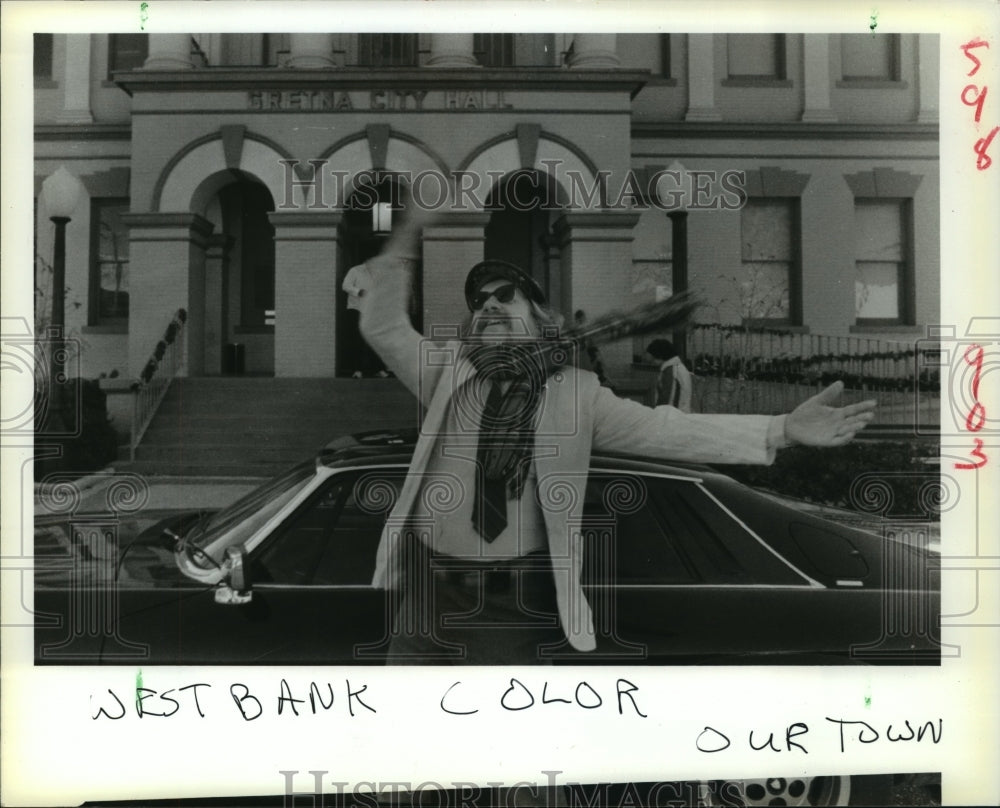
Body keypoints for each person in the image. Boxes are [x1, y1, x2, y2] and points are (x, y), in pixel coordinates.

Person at [345, 252, 876, 665]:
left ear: (539, 316)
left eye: (504, 296)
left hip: (508, 608)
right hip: (424, 594)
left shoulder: (579, 395)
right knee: (407, 748)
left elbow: (668, 428)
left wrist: (782, 428)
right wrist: (387, 260)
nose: (487, 307)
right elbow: (384, 328)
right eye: (479, 303)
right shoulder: (445, 374)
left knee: (507, 758)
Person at [647, 337, 693, 412]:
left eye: (653, 359)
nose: (652, 362)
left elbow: (668, 398)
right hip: (677, 414)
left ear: (660, 356)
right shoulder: (675, 367)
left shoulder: (671, 371)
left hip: (673, 416)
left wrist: (659, 415)